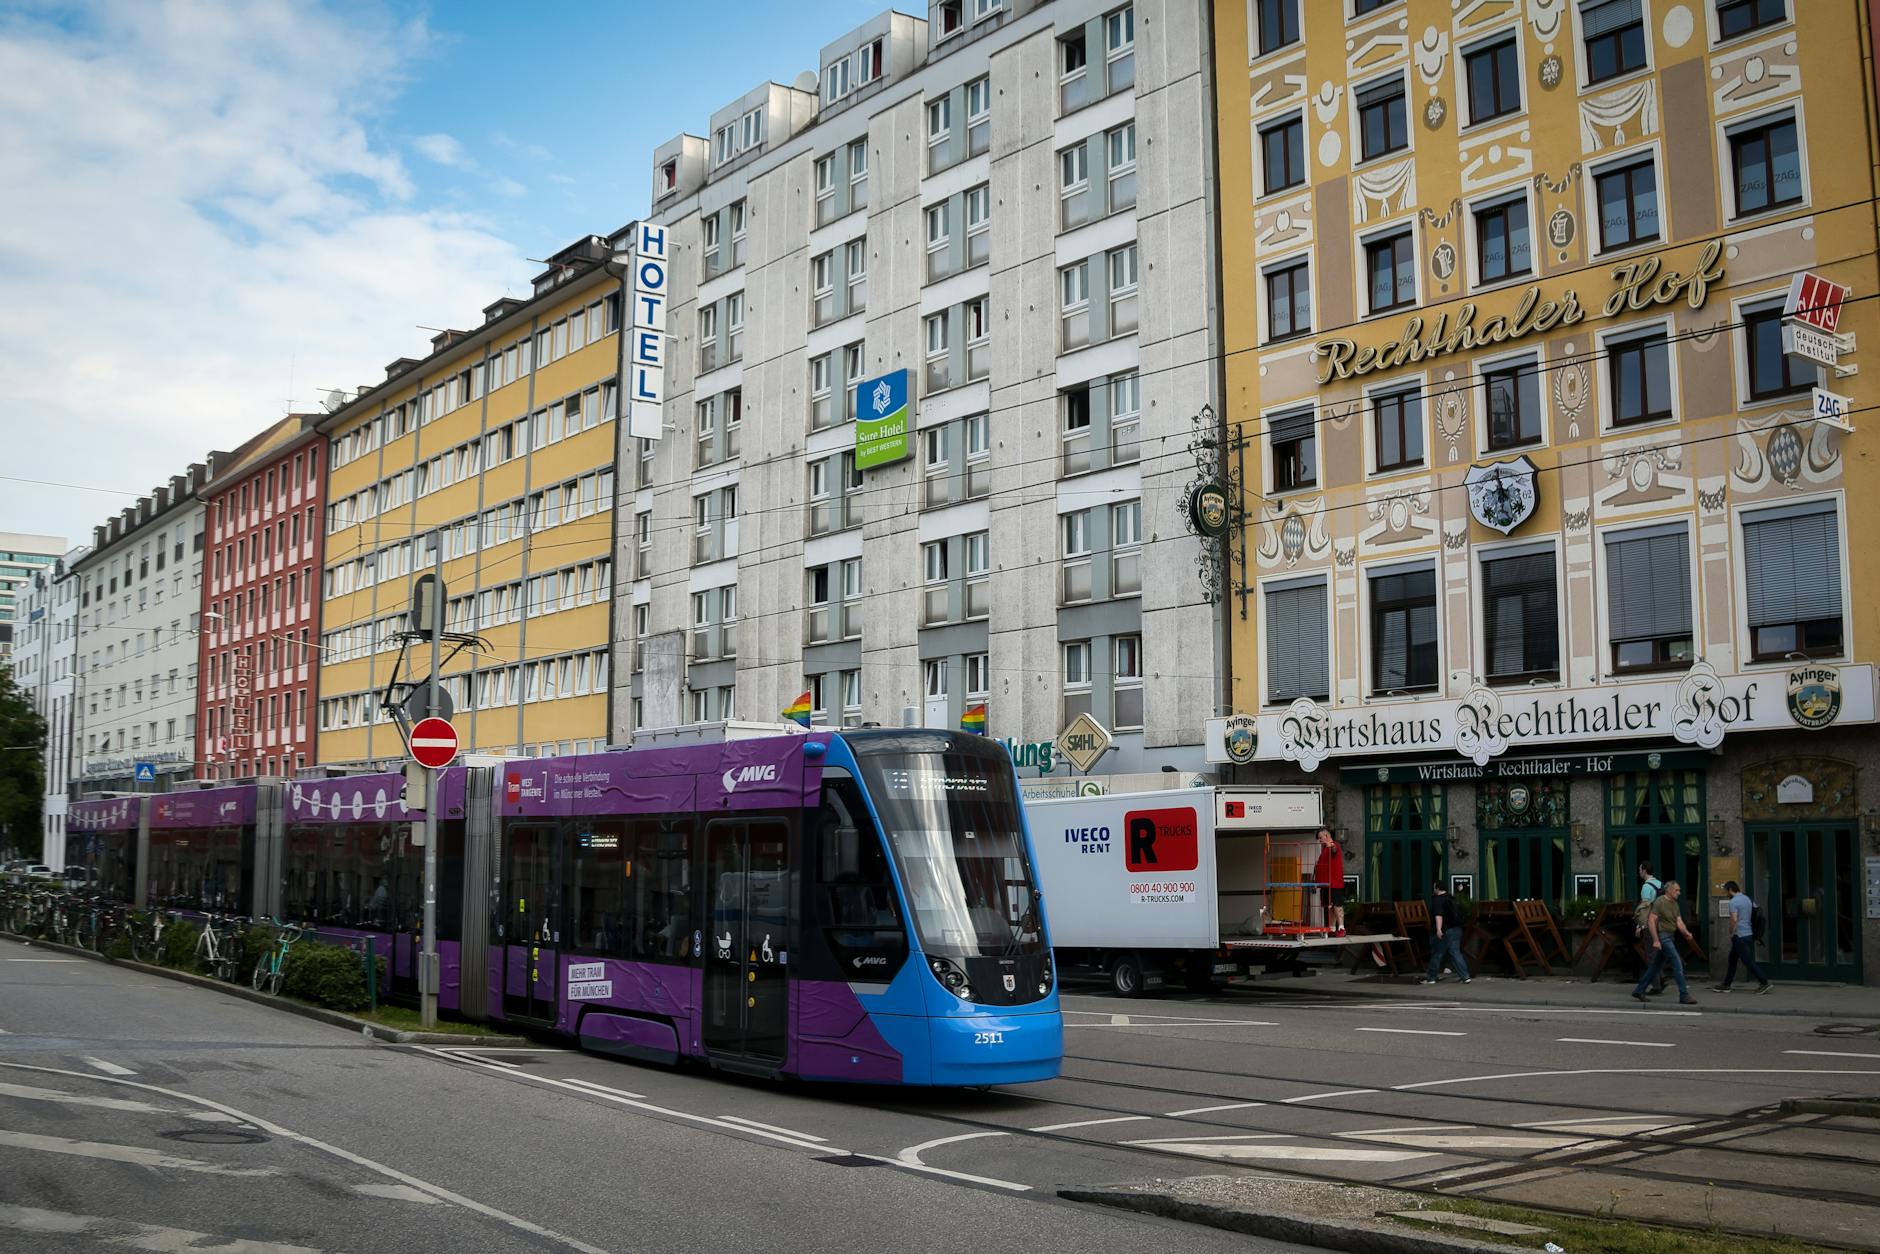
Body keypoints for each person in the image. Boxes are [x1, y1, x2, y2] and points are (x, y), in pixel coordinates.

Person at [1632, 879, 1697, 1005]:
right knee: (1677, 964)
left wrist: (1686, 933)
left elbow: (1679, 921)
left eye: (1679, 890)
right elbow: (1651, 921)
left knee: (1655, 966)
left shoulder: (1675, 904)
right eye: (1677, 890)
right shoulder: (1660, 902)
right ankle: (1684, 995)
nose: (1679, 893)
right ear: (1669, 890)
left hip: (1670, 936)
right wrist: (1656, 940)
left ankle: (1639, 990)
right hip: (1663, 937)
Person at [1712, 880, 1772, 995]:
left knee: (1748, 961)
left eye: (1726, 891)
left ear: (1730, 890)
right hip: (1748, 934)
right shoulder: (1747, 899)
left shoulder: (1733, 902)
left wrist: (1731, 932)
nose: (1726, 894)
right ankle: (1726, 985)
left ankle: (1764, 982)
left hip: (1739, 935)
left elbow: (1734, 919)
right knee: (1732, 960)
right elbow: (1756, 912)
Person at [1419, 879, 1471, 986]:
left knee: (1437, 954)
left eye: (1434, 887)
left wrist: (1438, 930)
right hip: (1456, 929)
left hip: (1445, 931)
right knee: (1455, 953)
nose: (1433, 889)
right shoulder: (1451, 898)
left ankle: (1431, 978)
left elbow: (1438, 915)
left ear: (1437, 888)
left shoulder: (1437, 900)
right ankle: (1465, 976)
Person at [1637, 861, 1666, 993]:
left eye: (1640, 870)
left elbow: (1645, 908)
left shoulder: (1646, 887)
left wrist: (1640, 925)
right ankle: (1662, 978)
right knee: (1658, 952)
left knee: (1651, 955)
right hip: (1661, 923)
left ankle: (1656, 985)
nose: (1639, 872)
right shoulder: (1660, 884)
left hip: (1650, 923)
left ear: (1644, 871)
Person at [1313, 828, 1346, 936]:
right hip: (1326, 883)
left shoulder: (1333, 845)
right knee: (1330, 906)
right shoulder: (1323, 850)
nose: (1319, 840)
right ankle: (1332, 929)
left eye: (1320, 838)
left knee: (1337, 905)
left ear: (1326, 835)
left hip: (1335, 882)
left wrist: (1331, 845)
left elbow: (1334, 849)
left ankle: (1341, 928)